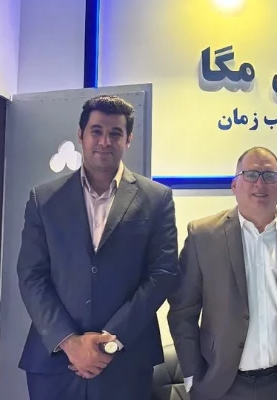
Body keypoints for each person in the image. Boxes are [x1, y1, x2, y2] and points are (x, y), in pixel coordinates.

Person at [17, 95, 179, 400]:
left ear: (128, 139)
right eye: (96, 131)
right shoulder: (44, 199)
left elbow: (163, 273)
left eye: (115, 133)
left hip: (126, 360)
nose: (105, 141)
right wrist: (69, 342)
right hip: (56, 362)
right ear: (81, 135)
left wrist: (111, 341)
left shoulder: (157, 199)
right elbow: (31, 275)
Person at [167, 146, 277, 400]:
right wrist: (193, 375)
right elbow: (182, 310)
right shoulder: (203, 235)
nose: (260, 183)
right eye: (250, 174)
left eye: (269, 175)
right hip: (222, 386)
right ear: (234, 185)